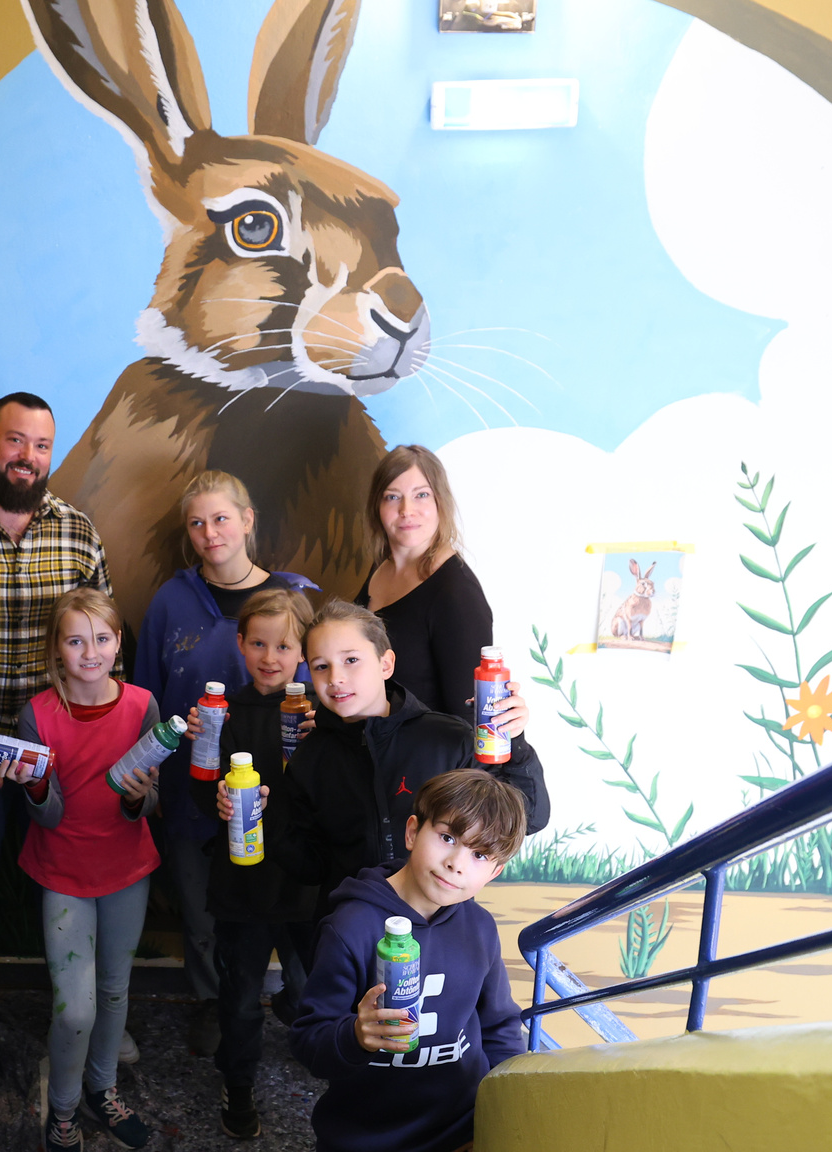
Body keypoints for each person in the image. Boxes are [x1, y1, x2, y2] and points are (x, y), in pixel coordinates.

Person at [135, 470, 317, 1054]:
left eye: (221, 518)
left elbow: (319, 692)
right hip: (196, 791)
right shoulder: (172, 600)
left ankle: (307, 1007)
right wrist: (154, 782)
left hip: (285, 799)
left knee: (297, 913)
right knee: (202, 911)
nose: (210, 533)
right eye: (197, 522)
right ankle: (216, 1003)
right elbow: (147, 696)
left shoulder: (294, 596)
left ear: (247, 520)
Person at [0, 588, 161, 1151]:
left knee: (114, 992)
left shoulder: (142, 706)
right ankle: (62, 1107)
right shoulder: (37, 714)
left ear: (117, 644)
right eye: (76, 639)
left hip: (128, 869)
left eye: (102, 638)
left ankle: (101, 1090)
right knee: (76, 1008)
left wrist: (138, 798)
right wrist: (36, 784)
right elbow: (52, 815)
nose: (91, 652)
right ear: (57, 648)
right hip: (63, 873)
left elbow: (152, 801)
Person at [290, 769, 529, 1152]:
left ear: (495, 872)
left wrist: (504, 1111)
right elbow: (307, 1041)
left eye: (480, 854)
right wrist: (355, 1035)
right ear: (413, 832)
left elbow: (499, 1027)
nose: (457, 862)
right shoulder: (351, 927)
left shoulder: (481, 927)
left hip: (462, 1133)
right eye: (448, 837)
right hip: (364, 1139)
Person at [264, 601, 548, 909]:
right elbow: (310, 867)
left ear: (385, 664)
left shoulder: (449, 739)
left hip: (436, 929)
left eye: (351, 660)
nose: (335, 677)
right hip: (349, 930)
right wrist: (265, 815)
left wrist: (514, 738)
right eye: (321, 666)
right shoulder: (310, 758)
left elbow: (530, 816)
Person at [189, 587, 320, 1139]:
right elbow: (201, 793)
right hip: (241, 884)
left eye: (284, 646)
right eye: (259, 644)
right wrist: (216, 796)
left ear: (303, 654)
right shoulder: (223, 713)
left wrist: (323, 743)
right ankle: (237, 1083)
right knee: (240, 996)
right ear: (240, 645)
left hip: (304, 879)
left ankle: (320, 1046)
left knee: (311, 982)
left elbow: (330, 794)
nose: (271, 657)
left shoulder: (317, 713)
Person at [0, 392, 114, 736]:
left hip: (59, 739)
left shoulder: (78, 532)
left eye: (42, 446)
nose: (28, 457)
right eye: (15, 440)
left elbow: (107, 643)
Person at [354, 445, 494, 715]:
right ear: (377, 507)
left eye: (421, 495)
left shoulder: (457, 592)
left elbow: (466, 716)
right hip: (374, 747)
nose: (407, 510)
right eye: (392, 497)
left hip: (424, 754)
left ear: (440, 502)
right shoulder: (379, 569)